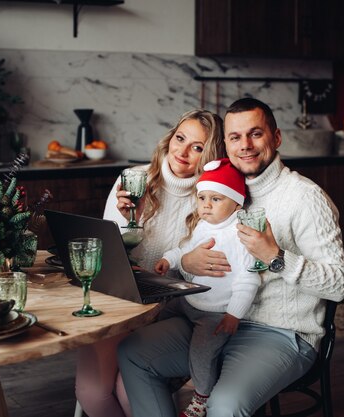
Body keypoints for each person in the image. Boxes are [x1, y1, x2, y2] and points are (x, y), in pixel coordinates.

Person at [117, 97, 344, 417]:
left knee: (224, 405)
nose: (245, 145)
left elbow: (339, 284)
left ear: (277, 138)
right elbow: (187, 252)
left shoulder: (305, 198)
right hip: (214, 321)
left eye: (256, 134)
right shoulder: (218, 191)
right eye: (235, 137)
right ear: (225, 144)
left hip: (280, 333)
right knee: (133, 352)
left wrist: (276, 256)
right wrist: (183, 262)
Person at [75, 109, 226, 417]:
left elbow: (204, 272)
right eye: (180, 138)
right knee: (92, 393)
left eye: (197, 147)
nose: (182, 152)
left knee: (127, 393)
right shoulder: (134, 180)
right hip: (123, 304)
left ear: (210, 156)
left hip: (171, 313)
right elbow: (112, 259)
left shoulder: (213, 200)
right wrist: (133, 220)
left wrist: (181, 265)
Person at [154, 158, 261, 417]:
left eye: (216, 199)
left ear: (236, 203)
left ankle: (201, 397)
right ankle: (169, 375)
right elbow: (185, 249)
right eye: (202, 198)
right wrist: (169, 258)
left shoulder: (240, 235)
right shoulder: (203, 225)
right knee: (154, 316)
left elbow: (249, 279)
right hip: (189, 299)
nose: (206, 206)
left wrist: (233, 314)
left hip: (214, 312)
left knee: (202, 352)